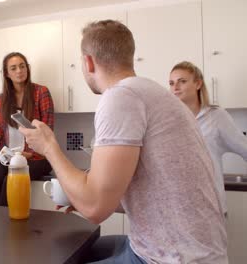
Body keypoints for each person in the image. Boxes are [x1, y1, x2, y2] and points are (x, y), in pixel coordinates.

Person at [19, 20, 227, 263]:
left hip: (173, 258)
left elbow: (95, 208)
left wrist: (48, 146)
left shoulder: (121, 97)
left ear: (88, 62)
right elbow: (148, 190)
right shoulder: (154, 93)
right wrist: (81, 197)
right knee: (71, 248)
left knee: (59, 255)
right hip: (189, 250)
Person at [169, 61, 247, 216]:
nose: (175, 87)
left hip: (211, 208)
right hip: (178, 209)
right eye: (171, 83)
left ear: (198, 84)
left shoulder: (216, 117)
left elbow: (244, 148)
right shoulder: (169, 120)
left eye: (182, 81)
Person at [0, 52, 54, 206]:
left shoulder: (41, 93)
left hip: (39, 158)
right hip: (11, 156)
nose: (19, 71)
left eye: (22, 66)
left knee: (10, 181)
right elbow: (1, 133)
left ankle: (8, 226)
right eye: (13, 68)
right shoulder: (2, 101)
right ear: (7, 74)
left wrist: (30, 154)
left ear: (27, 68)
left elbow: (48, 133)